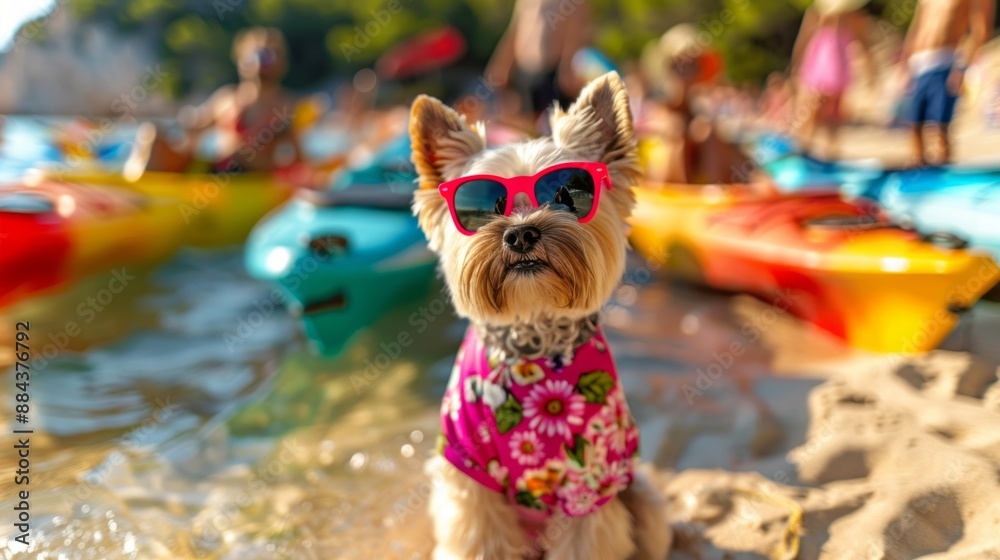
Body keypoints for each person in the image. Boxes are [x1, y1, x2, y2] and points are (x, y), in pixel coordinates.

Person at [125, 27, 302, 178]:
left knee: (236, 155)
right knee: (151, 134)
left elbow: (298, 160)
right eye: (258, 56)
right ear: (242, 62)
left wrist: (249, 157)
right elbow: (191, 134)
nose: (263, 64)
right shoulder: (226, 98)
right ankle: (136, 191)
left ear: (282, 63)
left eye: (271, 56)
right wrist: (189, 124)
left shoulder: (287, 107)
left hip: (249, 179)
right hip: (214, 173)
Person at [899, 0, 996, 165]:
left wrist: (962, 67)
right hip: (919, 62)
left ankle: (942, 174)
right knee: (915, 125)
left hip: (944, 62)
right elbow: (917, 27)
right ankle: (918, 172)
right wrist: (904, 63)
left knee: (940, 128)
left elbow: (981, 30)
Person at [791, 0, 873, 159]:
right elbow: (805, 37)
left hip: (834, 62)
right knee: (817, 108)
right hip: (825, 62)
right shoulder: (819, 13)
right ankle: (805, 148)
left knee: (832, 110)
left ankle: (826, 150)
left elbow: (862, 42)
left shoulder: (851, 16)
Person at [486, 0, 590, 121]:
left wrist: (567, 66)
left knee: (550, 125)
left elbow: (576, 31)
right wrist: (502, 65)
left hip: (551, 72)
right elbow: (515, 29)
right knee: (523, 122)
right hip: (524, 70)